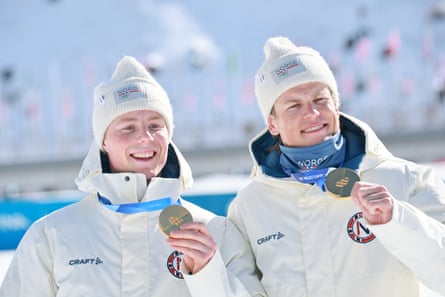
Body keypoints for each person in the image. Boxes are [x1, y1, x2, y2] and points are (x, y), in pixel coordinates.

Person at [0, 56, 265, 297]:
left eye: (155, 126)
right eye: (128, 127)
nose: (144, 138)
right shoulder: (51, 235)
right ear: (103, 141)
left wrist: (207, 274)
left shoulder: (215, 231)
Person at [227, 36, 445, 297]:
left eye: (320, 99)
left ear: (336, 104)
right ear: (272, 124)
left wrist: (395, 220)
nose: (312, 114)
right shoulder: (249, 206)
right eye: (294, 105)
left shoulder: (407, 179)